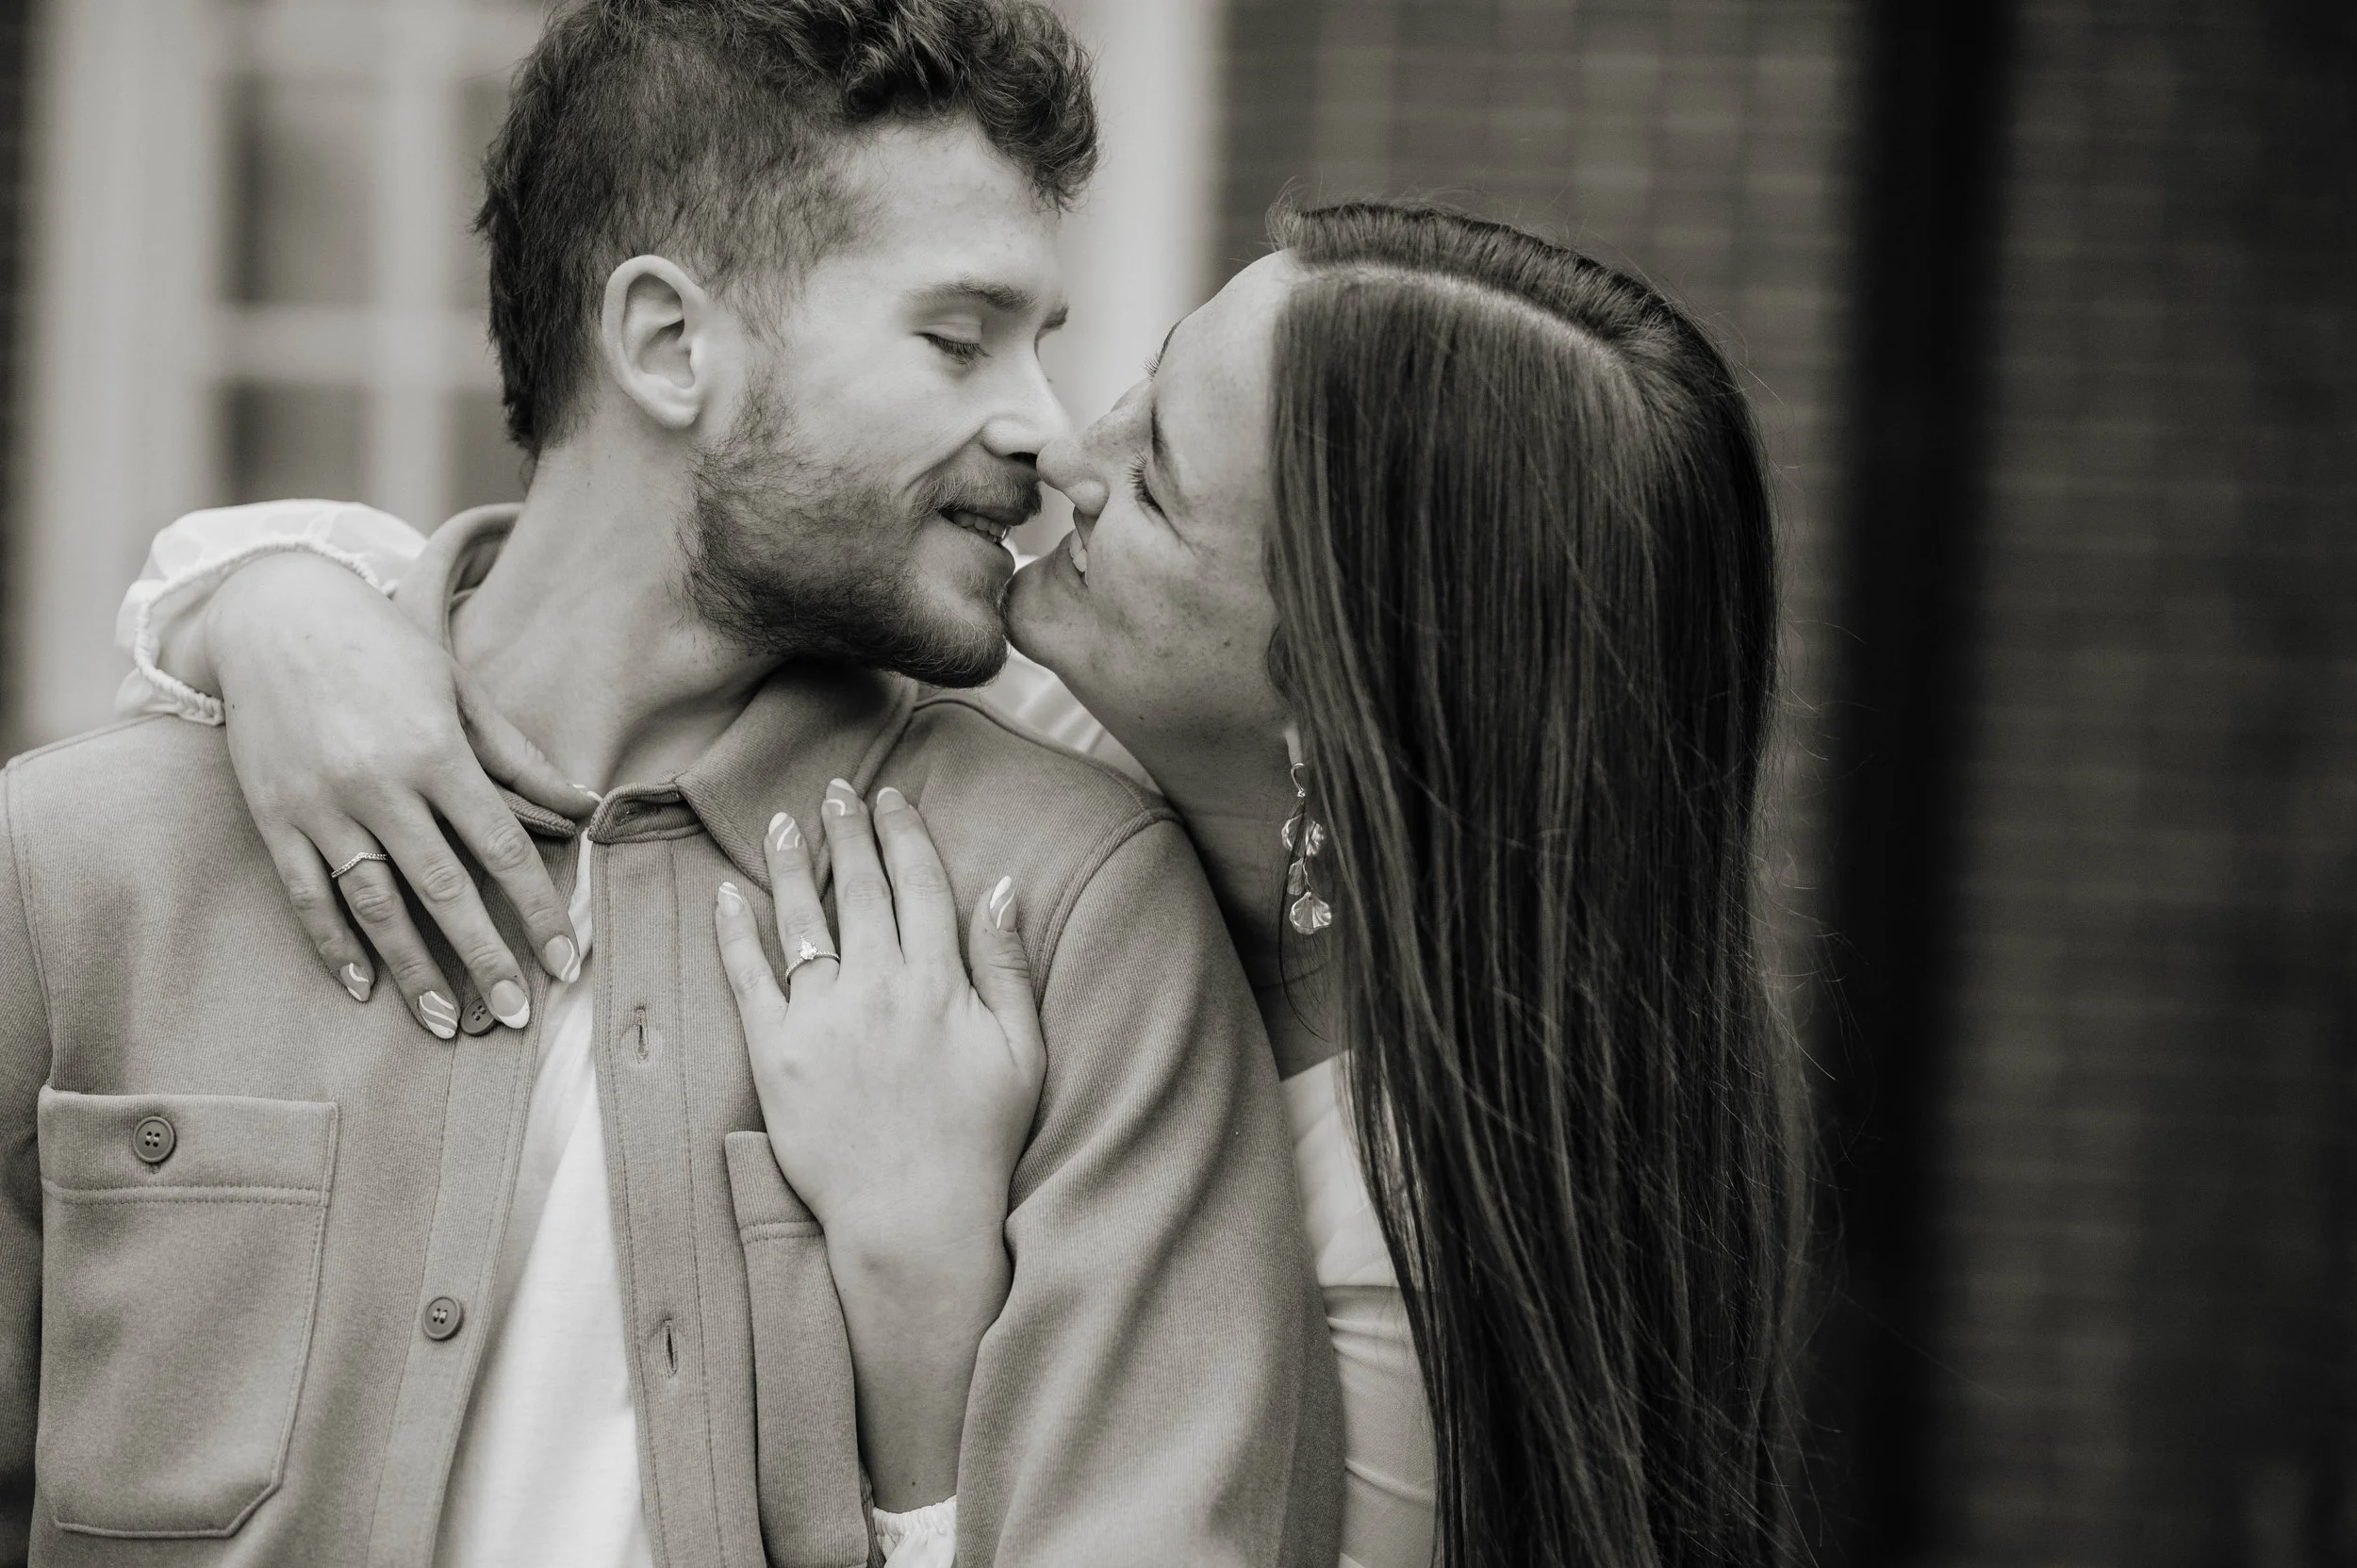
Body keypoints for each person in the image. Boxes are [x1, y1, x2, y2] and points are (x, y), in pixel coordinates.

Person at [108, 197, 1814, 1568]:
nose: (1065, 452)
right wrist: (267, 603)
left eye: (1156, 482)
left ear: (1334, 697)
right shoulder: (1053, 739)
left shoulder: (1398, 1272)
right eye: (1140, 378)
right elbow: (587, 616)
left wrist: (924, 1277)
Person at [0, 4, 1348, 1566]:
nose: (1047, 433)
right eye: (956, 336)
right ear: (666, 343)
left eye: (1037, 341)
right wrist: (251, 587)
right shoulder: (76, 862)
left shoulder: (1073, 917)